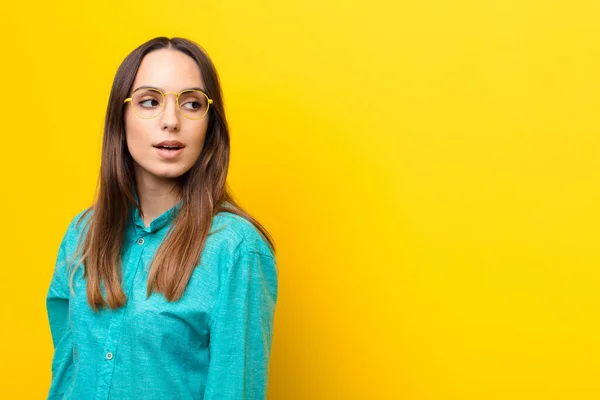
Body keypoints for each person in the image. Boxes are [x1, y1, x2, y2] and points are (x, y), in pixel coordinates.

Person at [45, 36, 278, 400]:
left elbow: (237, 389)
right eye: (150, 101)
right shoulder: (82, 234)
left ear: (210, 125)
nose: (171, 121)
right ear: (119, 119)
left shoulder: (236, 250)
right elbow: (66, 374)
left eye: (191, 103)